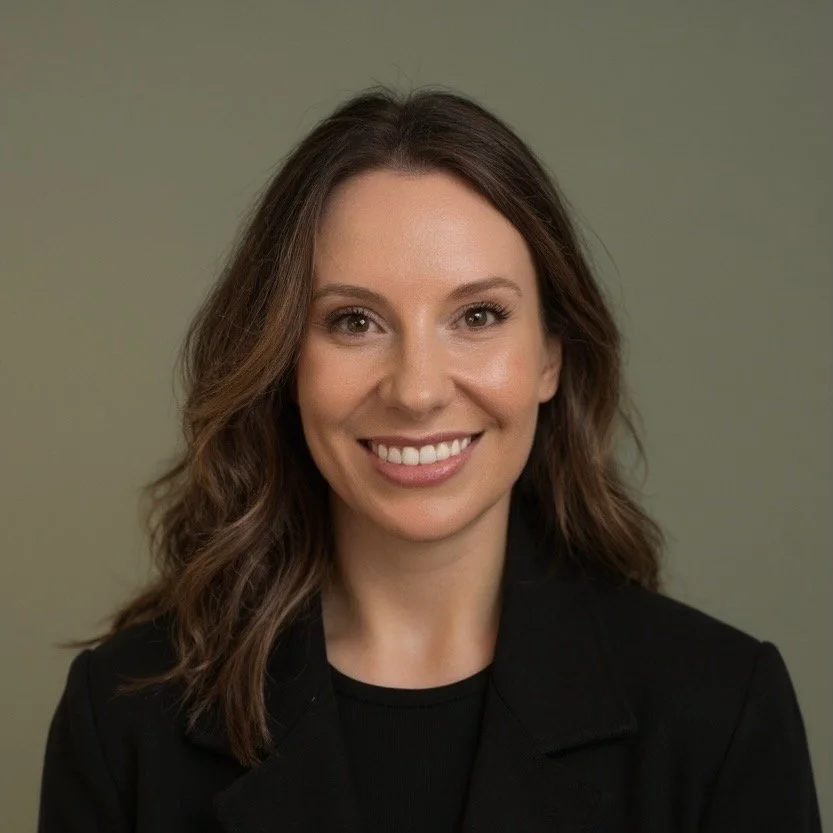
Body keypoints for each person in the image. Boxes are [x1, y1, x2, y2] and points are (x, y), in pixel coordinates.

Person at [37, 85, 822, 833]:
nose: (415, 391)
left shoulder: (720, 710)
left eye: (477, 315)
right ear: (284, 363)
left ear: (550, 355)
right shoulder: (124, 716)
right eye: (353, 321)